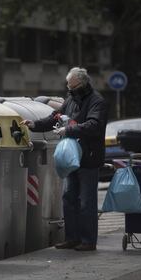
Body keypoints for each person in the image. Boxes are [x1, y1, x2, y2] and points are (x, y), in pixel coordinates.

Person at [21, 67, 108, 251]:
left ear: (83, 84)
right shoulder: (71, 100)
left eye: (73, 86)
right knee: (68, 198)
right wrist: (34, 124)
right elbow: (55, 118)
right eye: (68, 86)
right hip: (72, 159)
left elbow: (94, 125)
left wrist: (68, 130)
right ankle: (72, 238)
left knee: (86, 202)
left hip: (89, 159)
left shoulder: (97, 102)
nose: (70, 90)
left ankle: (88, 241)